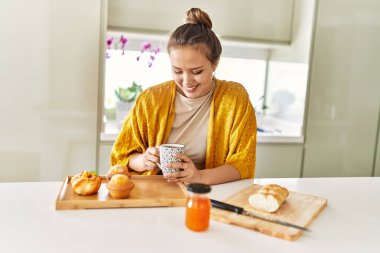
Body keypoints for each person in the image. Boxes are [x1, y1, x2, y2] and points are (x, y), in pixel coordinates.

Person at [111, 8, 257, 185]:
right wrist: (143, 160)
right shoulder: (150, 99)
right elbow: (122, 155)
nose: (187, 81)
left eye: (197, 71)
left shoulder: (234, 98)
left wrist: (199, 177)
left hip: (210, 192)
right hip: (157, 191)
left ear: (215, 63)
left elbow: (243, 163)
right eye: (177, 71)